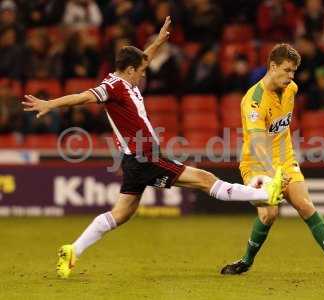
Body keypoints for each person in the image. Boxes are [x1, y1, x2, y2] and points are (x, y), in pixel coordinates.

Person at [22, 17, 287, 279]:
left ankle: (72, 250)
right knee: (206, 180)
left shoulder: (125, 79)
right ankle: (266, 195)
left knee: (122, 213)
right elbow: (82, 97)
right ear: (128, 71)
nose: (144, 74)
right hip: (145, 157)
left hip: (135, 159)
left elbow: (144, 58)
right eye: (140, 71)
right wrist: (50, 104)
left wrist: (158, 41)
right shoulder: (111, 87)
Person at [220, 43, 324, 276]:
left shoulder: (291, 88)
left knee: (305, 206)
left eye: (293, 71)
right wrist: (274, 173)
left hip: (285, 159)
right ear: (272, 67)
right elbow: (256, 143)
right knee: (269, 214)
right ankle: (245, 261)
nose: (291, 76)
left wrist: (281, 168)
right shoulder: (253, 101)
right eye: (286, 70)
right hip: (256, 163)